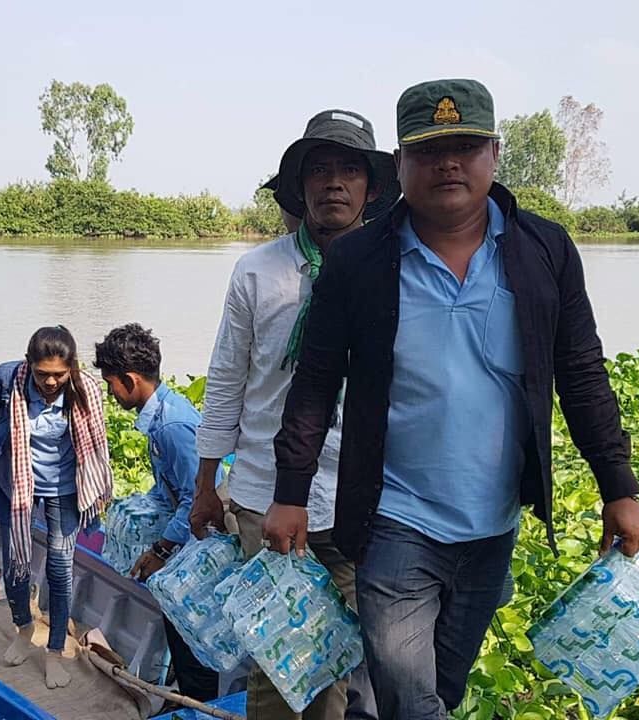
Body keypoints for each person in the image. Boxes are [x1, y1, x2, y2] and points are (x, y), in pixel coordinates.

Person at [266, 79, 639, 719]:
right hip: (393, 518)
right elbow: (315, 381)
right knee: (412, 700)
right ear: (401, 164)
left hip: (493, 522)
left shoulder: (544, 251)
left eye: (465, 148)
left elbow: (581, 372)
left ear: (494, 154)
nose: (448, 164)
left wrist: (619, 485)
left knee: (439, 691)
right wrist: (290, 493)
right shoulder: (359, 261)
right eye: (428, 150)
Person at [190, 109, 399, 720]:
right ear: (299, 186)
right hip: (264, 495)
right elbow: (226, 380)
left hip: (357, 499)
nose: (334, 182)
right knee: (275, 660)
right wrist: (206, 484)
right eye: (320, 169)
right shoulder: (256, 270)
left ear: (371, 188)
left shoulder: (394, 269)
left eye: (349, 170)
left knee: (335, 660)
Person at [0, 326, 113, 689]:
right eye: (42, 374)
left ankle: (54, 650)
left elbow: (95, 444)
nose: (51, 382)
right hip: (16, 484)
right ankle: (24, 628)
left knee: (60, 566)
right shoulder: (8, 380)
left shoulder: (86, 389)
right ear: (29, 365)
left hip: (65, 487)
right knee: (16, 559)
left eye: (59, 375)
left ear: (72, 368)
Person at [94, 322, 221, 702]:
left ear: (130, 380)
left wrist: (161, 550)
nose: (110, 393)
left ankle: (199, 704)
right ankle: (184, 694)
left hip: (197, 543)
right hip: (183, 539)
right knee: (178, 633)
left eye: (111, 384)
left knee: (192, 639)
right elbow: (169, 489)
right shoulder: (161, 415)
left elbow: (198, 497)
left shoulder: (172, 426)